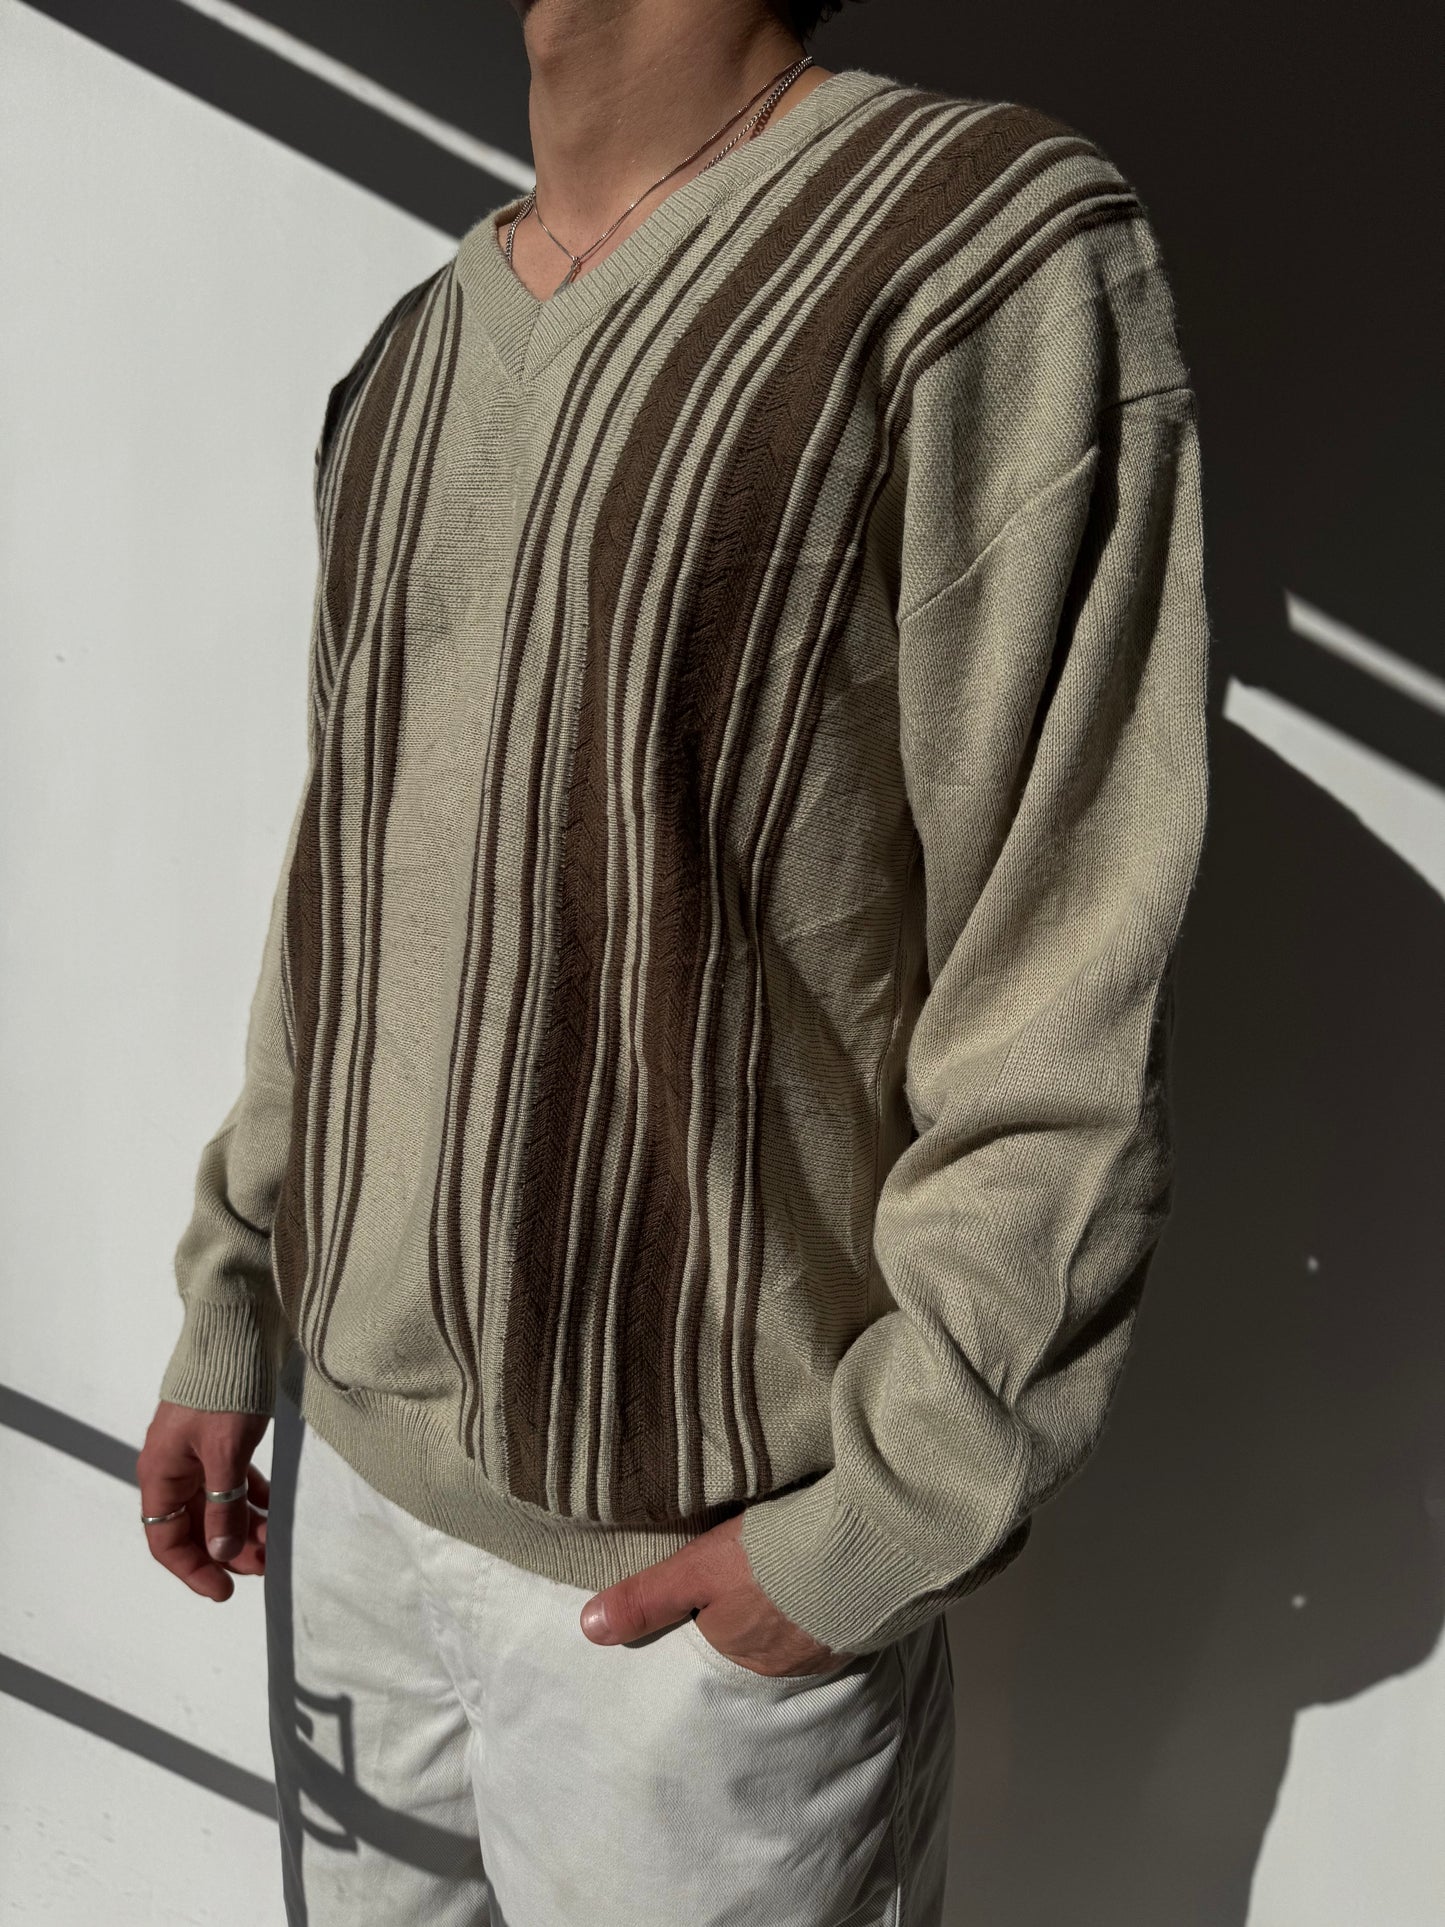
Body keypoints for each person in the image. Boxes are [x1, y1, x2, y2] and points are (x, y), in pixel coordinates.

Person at [136, 0, 1212, 1920]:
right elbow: (349, 888)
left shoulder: (972, 248)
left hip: (698, 1579)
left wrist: (888, 1514)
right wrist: (235, 1293)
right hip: (348, 1500)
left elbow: (1067, 943)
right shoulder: (411, 354)